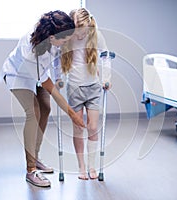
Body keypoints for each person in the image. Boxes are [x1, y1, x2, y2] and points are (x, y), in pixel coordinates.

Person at [0, 10, 85, 187]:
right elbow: (51, 90)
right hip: (18, 74)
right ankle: (31, 170)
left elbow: (54, 61)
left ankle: (35, 156)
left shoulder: (51, 34)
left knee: (46, 108)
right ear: (52, 37)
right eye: (64, 39)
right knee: (34, 112)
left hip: (38, 73)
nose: (66, 42)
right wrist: (73, 115)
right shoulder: (30, 52)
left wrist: (59, 77)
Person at [61, 8, 111, 180]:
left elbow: (105, 56)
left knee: (93, 127)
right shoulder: (67, 36)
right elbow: (57, 58)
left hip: (93, 87)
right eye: (78, 32)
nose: (80, 36)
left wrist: (106, 78)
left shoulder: (95, 33)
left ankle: (91, 166)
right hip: (74, 87)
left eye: (84, 32)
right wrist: (59, 78)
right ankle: (81, 166)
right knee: (78, 128)